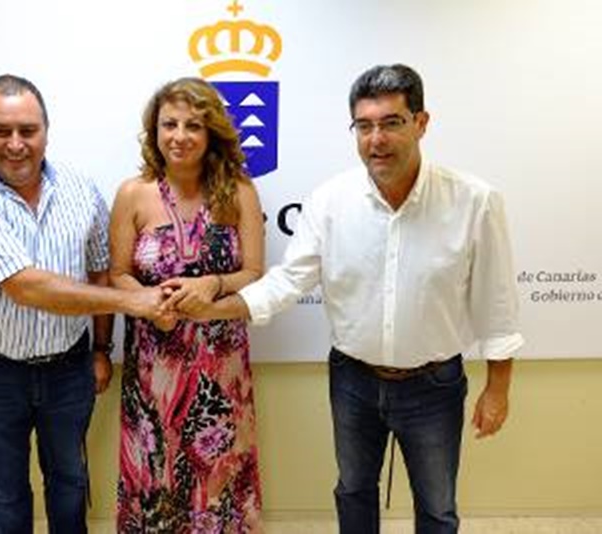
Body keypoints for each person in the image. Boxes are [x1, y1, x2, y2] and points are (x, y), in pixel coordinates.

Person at [173, 64, 524, 533]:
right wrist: (215, 308)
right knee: (354, 491)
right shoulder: (329, 201)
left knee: (437, 506)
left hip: (434, 385)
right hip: (353, 380)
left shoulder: (474, 201)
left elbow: (496, 302)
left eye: (391, 123)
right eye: (364, 126)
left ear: (421, 123)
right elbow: (287, 282)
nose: (376, 139)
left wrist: (498, 389)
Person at [0, 74, 164, 534]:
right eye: (0, 131)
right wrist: (134, 301)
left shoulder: (81, 190)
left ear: (46, 130)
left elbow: (99, 269)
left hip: (69, 367)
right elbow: (26, 287)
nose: (15, 144)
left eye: (28, 130)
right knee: (6, 489)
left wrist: (100, 349)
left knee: (70, 480)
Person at [109, 77, 266, 532]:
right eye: (169, 124)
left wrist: (213, 284)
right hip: (154, 366)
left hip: (221, 365)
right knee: (155, 476)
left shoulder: (239, 190)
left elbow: (255, 274)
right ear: (154, 131)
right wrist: (148, 300)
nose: (179, 136)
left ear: (211, 131)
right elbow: (117, 274)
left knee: (217, 475)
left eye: (193, 125)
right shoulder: (133, 193)